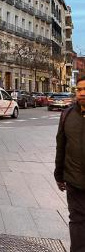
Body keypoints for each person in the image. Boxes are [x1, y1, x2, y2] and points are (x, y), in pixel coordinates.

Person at [55, 76, 85, 252]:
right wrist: (58, 175)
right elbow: (61, 146)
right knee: (77, 221)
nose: (82, 93)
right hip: (74, 180)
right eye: (79, 90)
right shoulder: (67, 114)